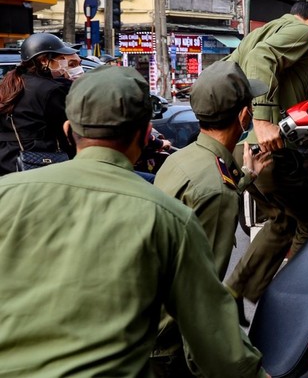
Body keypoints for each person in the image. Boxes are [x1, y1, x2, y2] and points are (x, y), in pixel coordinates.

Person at [0, 66, 268, 377]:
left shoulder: (7, 194)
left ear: (67, 130)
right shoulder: (169, 219)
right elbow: (215, 342)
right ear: (144, 134)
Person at [151, 61, 272, 375]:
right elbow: (200, 298)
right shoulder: (217, 192)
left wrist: (246, 175)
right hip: (167, 346)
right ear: (244, 115)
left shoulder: (183, 158)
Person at [224, 0, 308, 304]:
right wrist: (262, 119)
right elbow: (263, 59)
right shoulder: (303, 31)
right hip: (269, 151)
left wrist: (240, 112)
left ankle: (235, 292)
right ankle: (290, 299)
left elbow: (227, 69)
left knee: (282, 220)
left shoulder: (261, 32)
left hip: (242, 151)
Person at [0, 33, 77, 175]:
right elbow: (65, 129)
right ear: (43, 61)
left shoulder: (10, 83)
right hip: (40, 161)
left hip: (6, 160)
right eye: (60, 58)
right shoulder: (52, 90)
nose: (64, 63)